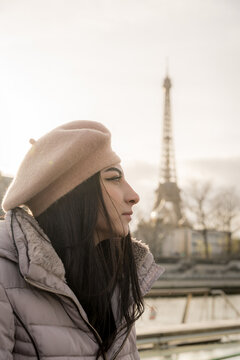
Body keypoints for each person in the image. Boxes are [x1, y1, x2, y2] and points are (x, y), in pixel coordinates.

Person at [0, 120, 164, 359]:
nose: (134, 196)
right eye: (114, 178)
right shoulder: (4, 276)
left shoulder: (117, 278)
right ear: (75, 195)